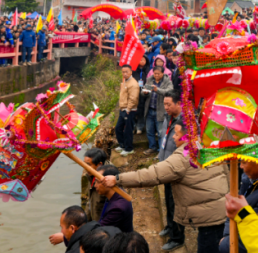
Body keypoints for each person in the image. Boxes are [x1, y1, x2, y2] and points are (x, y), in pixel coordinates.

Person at [105, 122, 228, 253]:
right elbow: (226, 173)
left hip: (210, 217)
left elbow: (152, 174)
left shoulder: (183, 156)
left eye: (176, 134)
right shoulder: (206, 146)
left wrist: (118, 179)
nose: (173, 137)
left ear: (186, 136)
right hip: (221, 209)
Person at [158, 92, 185, 251]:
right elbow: (163, 140)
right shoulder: (167, 118)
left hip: (176, 169)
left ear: (178, 103)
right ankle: (169, 226)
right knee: (168, 201)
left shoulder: (183, 123)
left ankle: (177, 238)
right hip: (165, 165)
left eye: (169, 104)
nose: (165, 107)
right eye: (164, 104)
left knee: (176, 204)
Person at [50, 205, 122, 253]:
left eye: (62, 227)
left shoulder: (76, 250)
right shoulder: (115, 231)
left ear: (72, 228)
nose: (61, 231)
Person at [143, 66, 173, 155]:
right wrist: (144, 92)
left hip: (160, 111)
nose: (156, 75)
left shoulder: (167, 81)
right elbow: (143, 90)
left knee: (161, 132)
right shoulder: (149, 80)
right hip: (150, 109)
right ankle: (152, 147)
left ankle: (161, 150)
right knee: (149, 130)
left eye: (158, 74)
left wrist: (157, 90)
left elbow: (169, 91)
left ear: (163, 73)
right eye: (155, 73)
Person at [96, 165, 133, 233]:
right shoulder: (116, 194)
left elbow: (100, 230)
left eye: (98, 182)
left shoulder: (117, 208)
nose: (95, 185)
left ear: (109, 182)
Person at [115, 65, 140, 156]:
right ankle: (122, 145)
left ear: (131, 72)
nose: (125, 74)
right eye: (123, 72)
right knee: (118, 128)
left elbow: (133, 98)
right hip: (123, 108)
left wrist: (128, 109)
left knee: (128, 130)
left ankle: (129, 148)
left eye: (127, 72)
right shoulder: (126, 81)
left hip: (129, 110)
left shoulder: (133, 84)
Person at [84, 147, 109, 222]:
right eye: (84, 164)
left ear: (99, 165)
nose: (85, 168)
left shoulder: (107, 182)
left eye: (88, 164)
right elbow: (90, 202)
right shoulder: (91, 176)